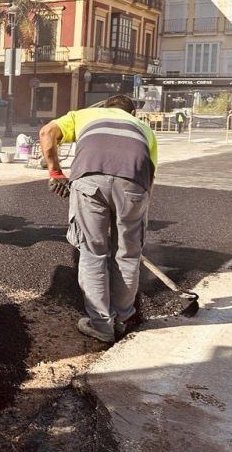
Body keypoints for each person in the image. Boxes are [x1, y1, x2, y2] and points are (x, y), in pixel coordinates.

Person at [38, 95, 158, 343]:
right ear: (132, 114)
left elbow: (47, 132)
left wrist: (56, 172)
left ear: (105, 108)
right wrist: (131, 215)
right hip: (134, 186)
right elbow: (150, 179)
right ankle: (123, 318)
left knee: (93, 252)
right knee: (127, 255)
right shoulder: (144, 129)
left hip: (90, 180)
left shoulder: (85, 115)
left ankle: (100, 325)